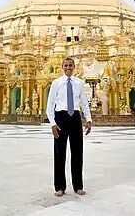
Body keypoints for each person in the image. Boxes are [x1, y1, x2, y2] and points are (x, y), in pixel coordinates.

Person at [46, 57, 92, 197]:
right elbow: (50, 105)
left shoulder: (79, 83)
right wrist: (53, 123)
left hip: (75, 118)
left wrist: (88, 119)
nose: (68, 68)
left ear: (74, 67)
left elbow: (84, 103)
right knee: (60, 154)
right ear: (62, 67)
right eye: (65, 65)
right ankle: (60, 187)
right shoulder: (56, 83)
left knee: (77, 152)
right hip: (61, 117)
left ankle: (78, 186)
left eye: (70, 65)